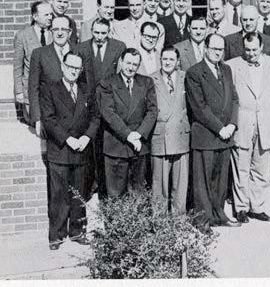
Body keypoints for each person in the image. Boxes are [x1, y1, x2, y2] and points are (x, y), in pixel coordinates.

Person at [39, 51, 98, 249]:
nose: (73, 71)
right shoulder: (50, 89)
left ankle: (77, 232)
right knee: (58, 195)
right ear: (63, 67)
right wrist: (68, 139)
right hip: (60, 149)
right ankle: (56, 236)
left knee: (79, 194)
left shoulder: (87, 90)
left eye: (77, 68)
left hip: (82, 149)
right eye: (70, 66)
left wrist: (86, 137)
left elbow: (95, 117)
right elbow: (49, 119)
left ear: (81, 70)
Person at [226, 33, 270, 222]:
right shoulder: (232, 65)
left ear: (261, 47)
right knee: (241, 169)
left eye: (254, 50)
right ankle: (241, 208)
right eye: (247, 50)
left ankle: (257, 207)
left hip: (266, 125)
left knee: (261, 169)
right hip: (242, 125)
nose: (251, 53)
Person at [185, 33, 240, 227]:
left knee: (220, 180)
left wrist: (232, 124)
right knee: (203, 182)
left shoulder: (226, 69)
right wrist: (219, 128)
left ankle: (219, 215)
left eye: (221, 49)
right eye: (214, 49)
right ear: (205, 48)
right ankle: (203, 219)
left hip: (226, 135)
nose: (218, 53)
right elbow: (199, 107)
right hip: (206, 135)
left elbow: (234, 98)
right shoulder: (194, 72)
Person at [98, 48, 158, 198]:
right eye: (128, 63)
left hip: (139, 146)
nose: (131, 67)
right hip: (116, 147)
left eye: (135, 64)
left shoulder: (146, 82)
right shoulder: (107, 83)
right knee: (116, 196)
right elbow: (108, 113)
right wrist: (129, 135)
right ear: (121, 62)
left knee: (139, 194)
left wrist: (139, 134)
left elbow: (152, 111)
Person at [77, 18, 126, 198]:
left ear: (109, 32)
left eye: (103, 33)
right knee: (90, 150)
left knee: (107, 150)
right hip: (88, 107)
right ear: (91, 31)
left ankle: (107, 192)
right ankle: (90, 191)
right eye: (96, 32)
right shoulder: (81, 48)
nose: (99, 37)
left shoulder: (118, 47)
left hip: (109, 105)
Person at [150, 46, 190, 213]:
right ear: (160, 60)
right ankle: (159, 220)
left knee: (180, 184)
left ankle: (178, 218)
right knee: (159, 185)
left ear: (178, 61)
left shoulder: (185, 77)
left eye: (171, 59)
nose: (167, 62)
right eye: (164, 59)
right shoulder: (151, 79)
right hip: (160, 137)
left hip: (181, 136)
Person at [28, 14, 76, 135]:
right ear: (51, 31)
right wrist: (37, 119)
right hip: (51, 117)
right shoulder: (39, 54)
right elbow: (33, 88)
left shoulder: (79, 51)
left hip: (75, 117)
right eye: (55, 29)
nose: (59, 33)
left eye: (63, 29)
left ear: (70, 32)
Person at [13, 0, 53, 126]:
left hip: (51, 91)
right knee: (35, 125)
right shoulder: (23, 36)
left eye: (51, 14)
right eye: (46, 15)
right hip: (30, 90)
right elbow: (18, 67)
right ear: (35, 16)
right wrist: (19, 92)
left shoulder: (55, 33)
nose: (50, 17)